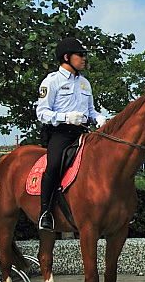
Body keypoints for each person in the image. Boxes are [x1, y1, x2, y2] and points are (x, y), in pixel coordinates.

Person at [36, 36, 107, 231]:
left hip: (84, 133)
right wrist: (65, 117)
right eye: (80, 55)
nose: (84, 59)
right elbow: (41, 113)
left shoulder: (84, 83)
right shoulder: (52, 81)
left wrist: (98, 118)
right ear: (66, 57)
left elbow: (90, 110)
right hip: (61, 134)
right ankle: (45, 213)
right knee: (54, 165)